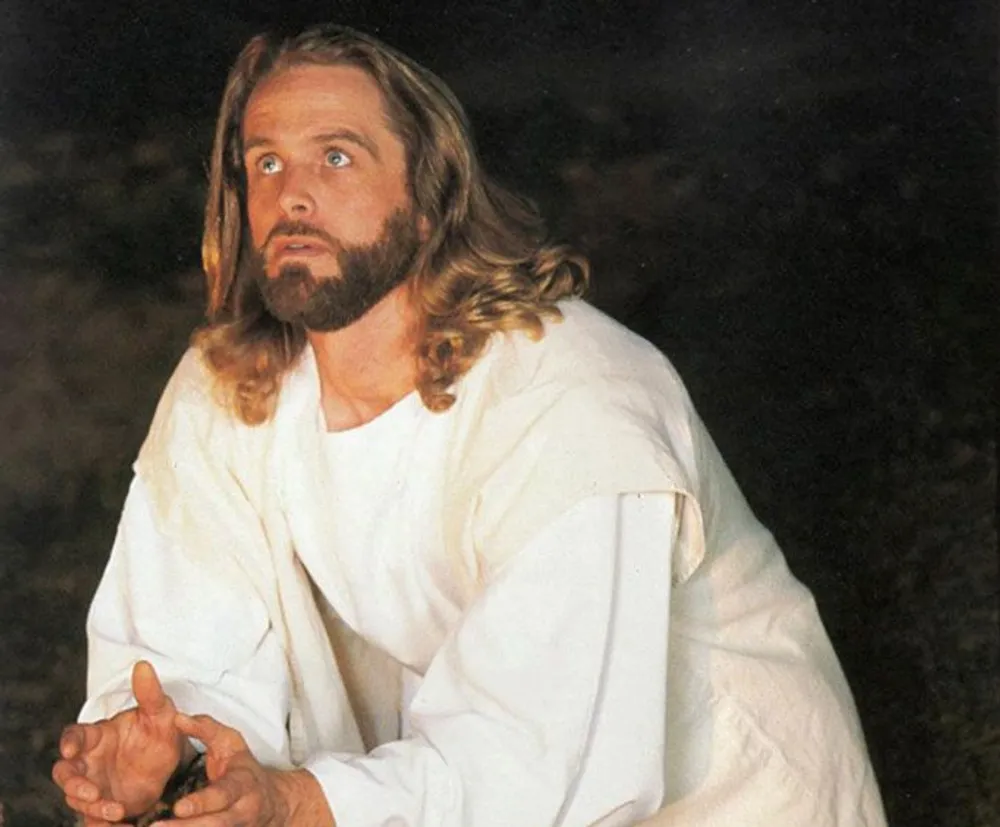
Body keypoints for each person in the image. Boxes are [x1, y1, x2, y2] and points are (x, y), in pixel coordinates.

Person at [52, 24, 887, 827]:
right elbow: (185, 652)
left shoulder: (573, 402)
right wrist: (168, 760)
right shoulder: (231, 386)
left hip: (716, 802)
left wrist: (299, 805)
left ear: (429, 199)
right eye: (264, 161)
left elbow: (541, 754)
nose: (290, 193)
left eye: (335, 156)